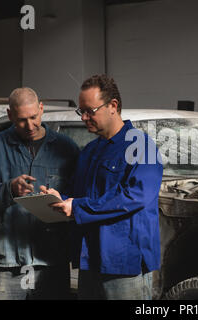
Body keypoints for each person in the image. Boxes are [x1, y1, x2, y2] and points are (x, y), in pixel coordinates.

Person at [40, 74, 163, 300]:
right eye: (81, 112)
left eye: (90, 111)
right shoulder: (90, 151)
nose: (84, 117)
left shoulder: (141, 145)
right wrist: (59, 197)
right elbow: (80, 195)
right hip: (90, 260)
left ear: (113, 106)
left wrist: (76, 207)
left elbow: (136, 195)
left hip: (124, 264)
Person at [0, 87, 80, 300]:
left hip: (51, 260)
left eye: (33, 117)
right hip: (7, 262)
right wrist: (9, 189)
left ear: (41, 108)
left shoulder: (66, 148)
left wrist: (62, 199)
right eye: (21, 120)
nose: (29, 125)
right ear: (9, 114)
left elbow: (80, 197)